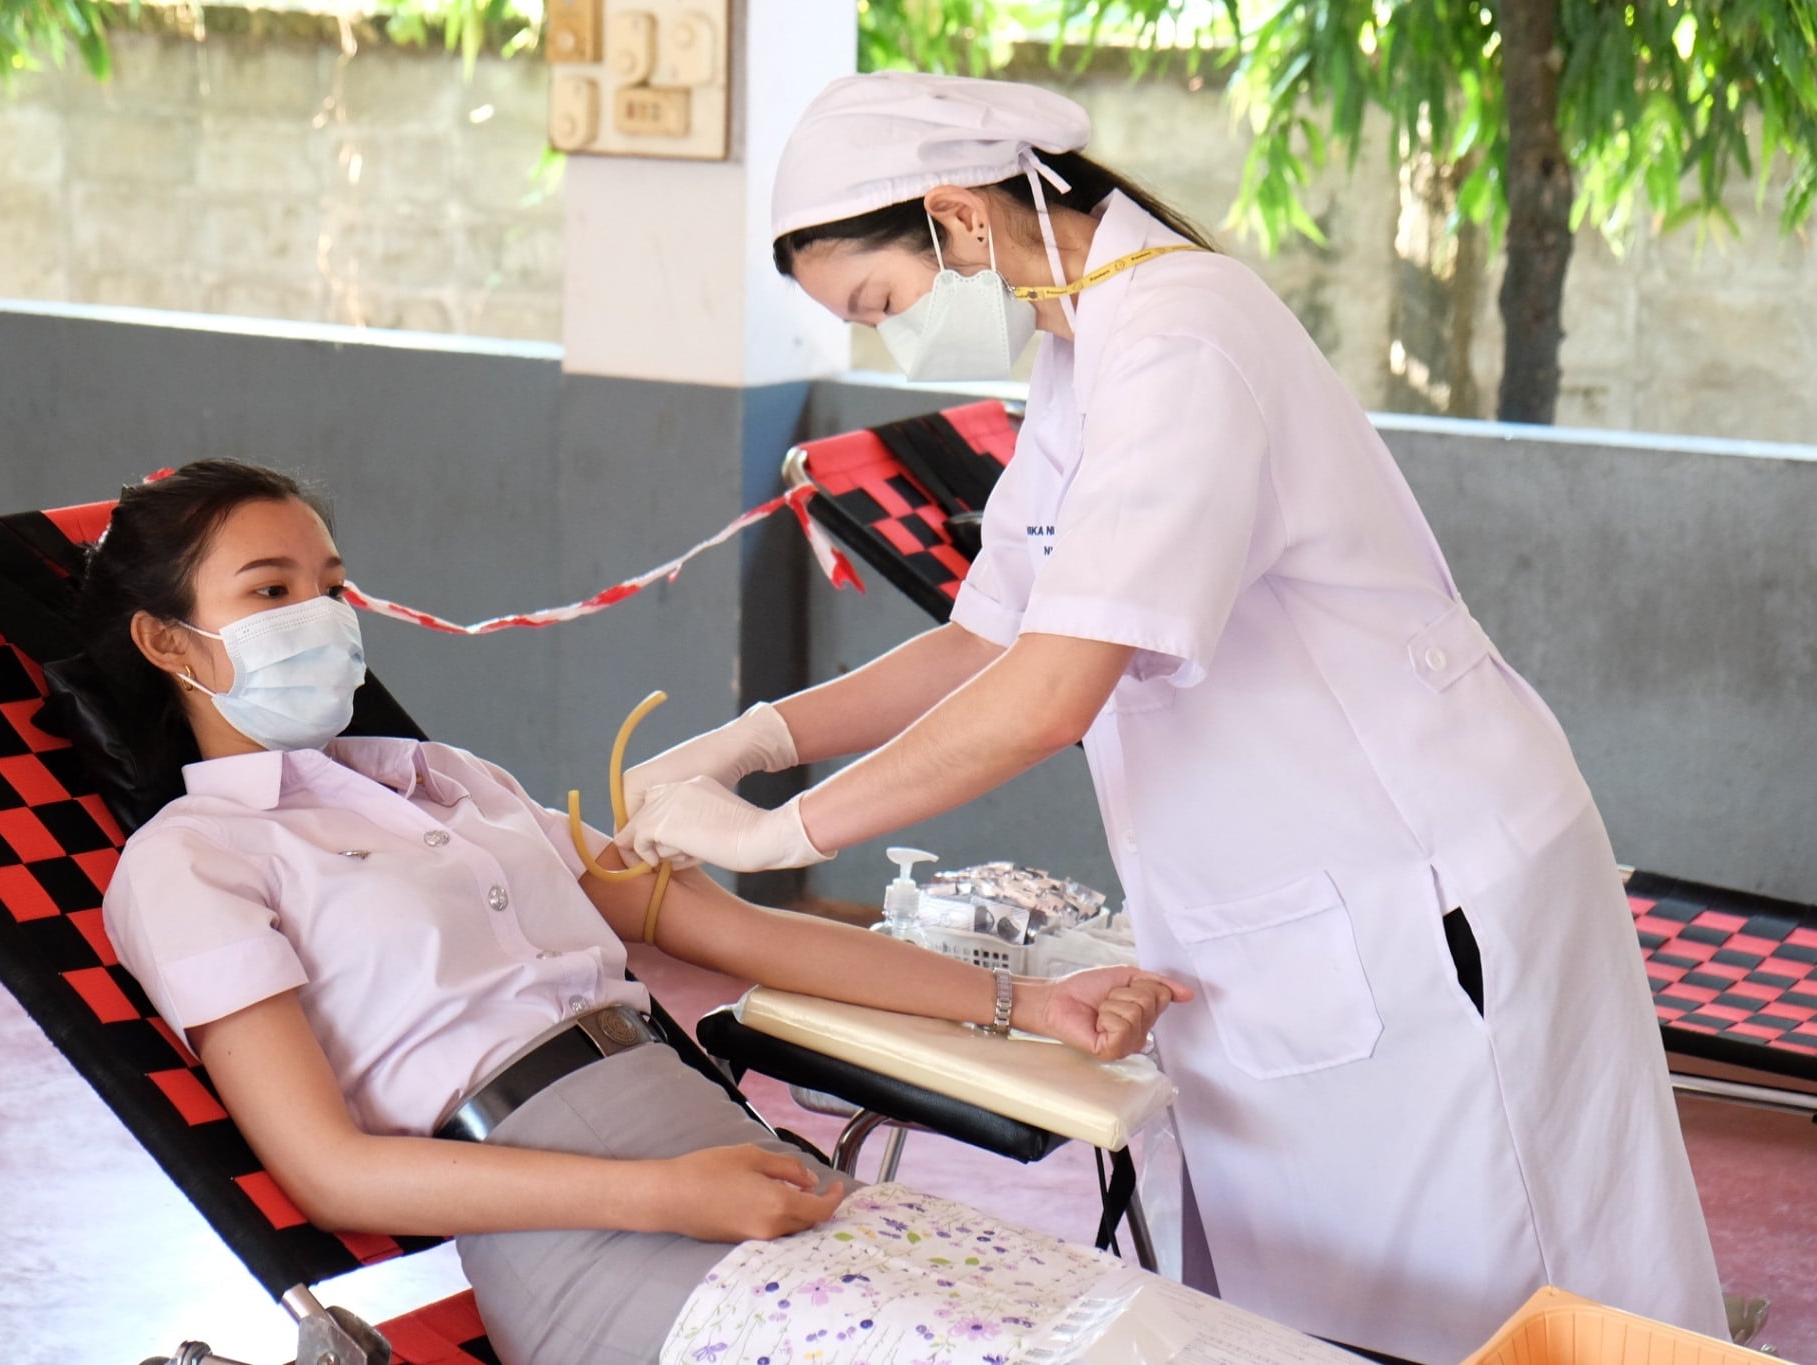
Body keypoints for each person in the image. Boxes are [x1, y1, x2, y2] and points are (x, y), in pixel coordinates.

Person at [615, 72, 1725, 1364]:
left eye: (880, 303)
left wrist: (773, 836)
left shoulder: (1185, 340)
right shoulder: (1089, 354)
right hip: (1299, 929)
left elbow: (1047, 694)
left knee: (1525, 1322)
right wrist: (756, 740)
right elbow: (985, 637)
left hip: (1425, 913)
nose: (887, 339)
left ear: (958, 218)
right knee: (1333, 1320)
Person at [75, 460, 1189, 1365]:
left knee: (1131, 1343)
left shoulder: (453, 782)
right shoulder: (192, 860)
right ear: (168, 642)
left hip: (735, 1167)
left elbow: (737, 933)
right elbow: (330, 1171)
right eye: (269, 592)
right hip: (584, 1233)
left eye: (329, 584)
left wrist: (1033, 1002)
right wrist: (660, 1198)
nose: (316, 613)